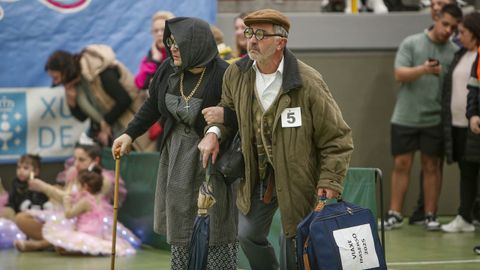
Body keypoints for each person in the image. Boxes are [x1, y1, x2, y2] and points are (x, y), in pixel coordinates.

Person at [198, 9, 353, 270]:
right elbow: (229, 113)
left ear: (281, 41)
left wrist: (330, 179)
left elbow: (338, 137)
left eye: (261, 34)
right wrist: (214, 133)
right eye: (249, 33)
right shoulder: (237, 74)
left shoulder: (307, 81)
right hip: (259, 176)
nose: (252, 40)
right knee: (247, 234)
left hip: (299, 176)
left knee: (293, 242)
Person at [112, 17, 238, 269]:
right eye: (170, 42)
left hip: (211, 158)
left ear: (197, 44)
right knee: (181, 220)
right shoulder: (168, 70)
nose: (172, 48)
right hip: (177, 154)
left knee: (214, 222)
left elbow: (240, 115)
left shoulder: (224, 74)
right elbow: (152, 105)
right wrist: (130, 133)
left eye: (178, 43)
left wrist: (216, 130)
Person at [383, 4, 462, 231]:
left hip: (434, 119)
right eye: (445, 24)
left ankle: (430, 215)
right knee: (401, 164)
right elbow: (400, 73)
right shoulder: (411, 43)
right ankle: (394, 213)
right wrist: (424, 69)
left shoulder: (453, 52)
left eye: (454, 28)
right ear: (436, 18)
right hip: (405, 116)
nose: (448, 30)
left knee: (431, 166)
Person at [15, 143, 133, 251]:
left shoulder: (103, 179)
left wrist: (45, 188)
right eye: (75, 159)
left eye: (81, 160)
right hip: (68, 214)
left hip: (88, 222)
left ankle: (43, 244)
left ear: (95, 160)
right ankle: (54, 242)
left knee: (68, 238)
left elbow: (82, 203)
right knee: (22, 218)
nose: (76, 164)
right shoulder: (73, 173)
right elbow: (66, 198)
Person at [45, 46, 153, 151]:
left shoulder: (101, 72)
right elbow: (82, 117)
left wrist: (105, 123)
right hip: (118, 132)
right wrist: (71, 101)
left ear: (66, 71)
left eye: (56, 78)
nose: (56, 83)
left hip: (137, 125)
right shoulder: (77, 84)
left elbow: (124, 99)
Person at [409, 0, 459, 225]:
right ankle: (423, 210)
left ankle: (430, 212)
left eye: (443, 3)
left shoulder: (458, 47)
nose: (437, 7)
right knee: (428, 164)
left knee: (434, 164)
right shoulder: (416, 41)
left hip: (444, 115)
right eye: (435, 3)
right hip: (421, 115)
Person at [441, 12, 480, 233]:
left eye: (463, 32)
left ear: (475, 33)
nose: (459, 36)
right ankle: (465, 216)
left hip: (474, 126)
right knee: (467, 173)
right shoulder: (460, 55)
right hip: (459, 124)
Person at [40, 165, 135, 256]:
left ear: (85, 186)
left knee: (62, 245)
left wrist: (66, 202)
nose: (76, 186)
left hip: (87, 232)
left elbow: (69, 214)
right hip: (96, 232)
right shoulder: (96, 199)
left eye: (77, 184)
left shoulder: (85, 201)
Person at [134, 11, 175, 150]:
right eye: (155, 30)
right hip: (154, 115)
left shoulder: (178, 53)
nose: (158, 34)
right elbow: (141, 83)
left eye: (162, 30)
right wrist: (154, 61)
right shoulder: (152, 55)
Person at [1, 154, 49, 220]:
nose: (21, 171)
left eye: (25, 168)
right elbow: (11, 201)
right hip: (16, 216)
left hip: (33, 216)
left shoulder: (39, 185)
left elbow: (41, 203)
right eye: (18, 167)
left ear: (35, 172)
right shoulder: (15, 184)